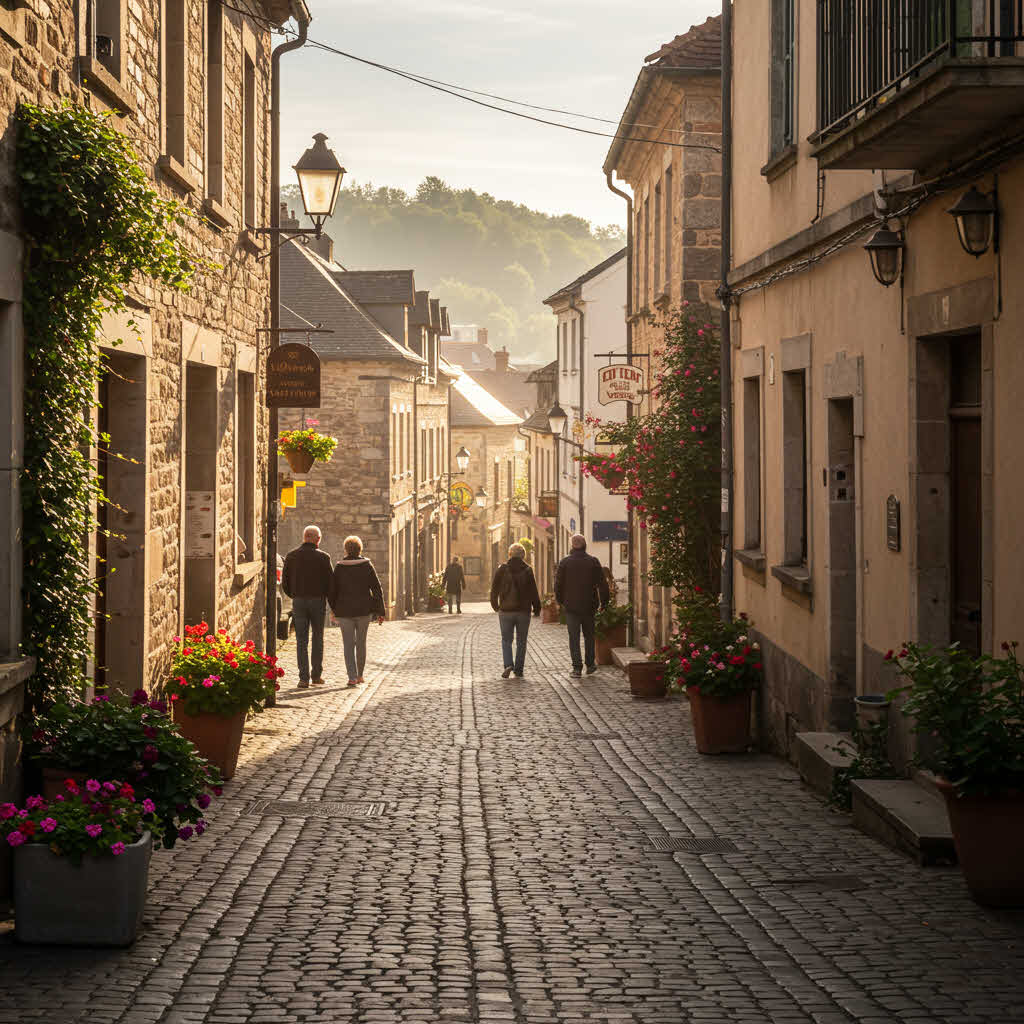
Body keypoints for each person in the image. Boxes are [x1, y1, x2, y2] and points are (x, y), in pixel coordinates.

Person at [328, 535, 386, 687]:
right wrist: (380, 611)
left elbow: (332, 591)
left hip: (345, 612)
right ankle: (360, 675)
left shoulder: (340, 567)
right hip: (364, 611)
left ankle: (352, 677)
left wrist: (334, 609)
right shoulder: (367, 565)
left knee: (348, 644)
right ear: (360, 549)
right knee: (361, 643)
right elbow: (377, 589)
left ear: (346, 550)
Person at [281, 525, 333, 689]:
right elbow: (330, 583)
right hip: (318, 601)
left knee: (301, 640)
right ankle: (316, 675)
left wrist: (294, 595)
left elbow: (285, 583)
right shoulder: (324, 557)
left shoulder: (291, 556)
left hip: (299, 601)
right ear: (318, 539)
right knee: (317, 638)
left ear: (304, 538)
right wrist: (328, 600)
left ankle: (303, 678)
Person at [555, 533, 610, 678]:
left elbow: (558, 585)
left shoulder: (565, 562)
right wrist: (604, 602)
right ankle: (590, 664)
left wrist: (561, 602)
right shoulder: (593, 562)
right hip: (589, 605)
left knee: (573, 637)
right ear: (585, 545)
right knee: (589, 636)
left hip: (571, 607)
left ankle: (577, 668)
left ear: (571, 546)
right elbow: (603, 585)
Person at [490, 542, 542, 679]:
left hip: (506, 611)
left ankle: (508, 664)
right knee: (521, 641)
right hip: (523, 612)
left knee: (506, 640)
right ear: (523, 555)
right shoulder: (528, 570)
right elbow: (533, 592)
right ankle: (518, 669)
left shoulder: (502, 569)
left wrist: (495, 605)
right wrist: (537, 608)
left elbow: (494, 589)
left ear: (510, 554)